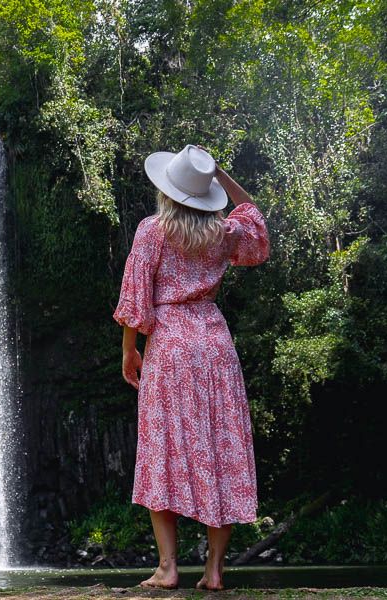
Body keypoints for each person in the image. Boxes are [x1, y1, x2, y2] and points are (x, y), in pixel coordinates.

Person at [112, 144, 270, 591]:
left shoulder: (153, 230)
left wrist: (129, 350)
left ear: (168, 191)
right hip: (214, 341)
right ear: (206, 194)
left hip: (170, 344)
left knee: (162, 448)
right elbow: (256, 223)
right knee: (221, 449)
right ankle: (215, 571)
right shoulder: (223, 232)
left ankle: (167, 568)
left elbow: (135, 299)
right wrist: (218, 174)